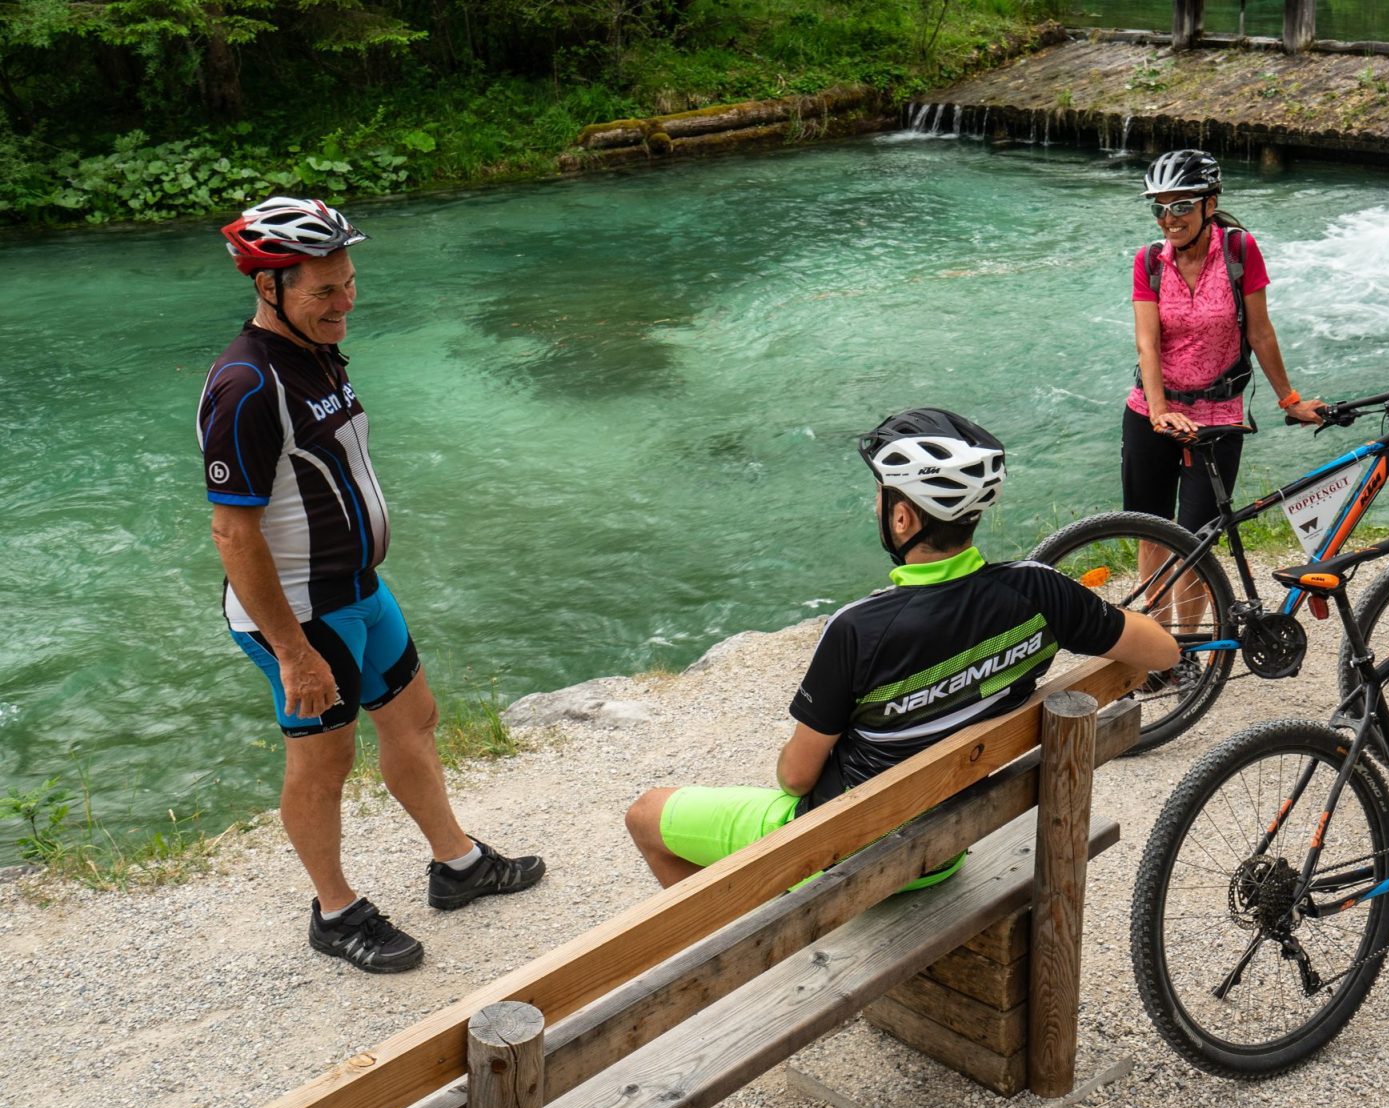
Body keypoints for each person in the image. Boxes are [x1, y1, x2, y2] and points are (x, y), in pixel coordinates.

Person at [199, 196, 544, 974]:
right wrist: (292, 652)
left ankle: (456, 865)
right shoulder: (245, 386)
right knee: (324, 762)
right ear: (269, 287)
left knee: (413, 716)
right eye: (324, 291)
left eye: (348, 283)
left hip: (359, 587)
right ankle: (335, 912)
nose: (344, 302)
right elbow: (232, 532)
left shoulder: (316, 350)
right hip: (300, 611)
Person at [624, 408, 1179, 889]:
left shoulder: (858, 628)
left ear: (903, 517)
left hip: (845, 855)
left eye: (881, 499)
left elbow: (794, 778)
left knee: (646, 815)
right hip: (947, 843)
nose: (876, 509)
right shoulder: (1041, 591)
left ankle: (741, 949)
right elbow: (1164, 653)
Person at [1125, 149, 1322, 532]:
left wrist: (1290, 401)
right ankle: (1154, 597)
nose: (1169, 219)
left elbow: (1260, 332)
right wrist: (1159, 411)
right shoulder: (1149, 261)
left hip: (1218, 416)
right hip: (1152, 411)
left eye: (1181, 206)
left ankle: (1189, 597)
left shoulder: (1239, 250)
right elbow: (1146, 345)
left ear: (1209, 204)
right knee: (1150, 530)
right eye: (1159, 210)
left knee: (1198, 541)